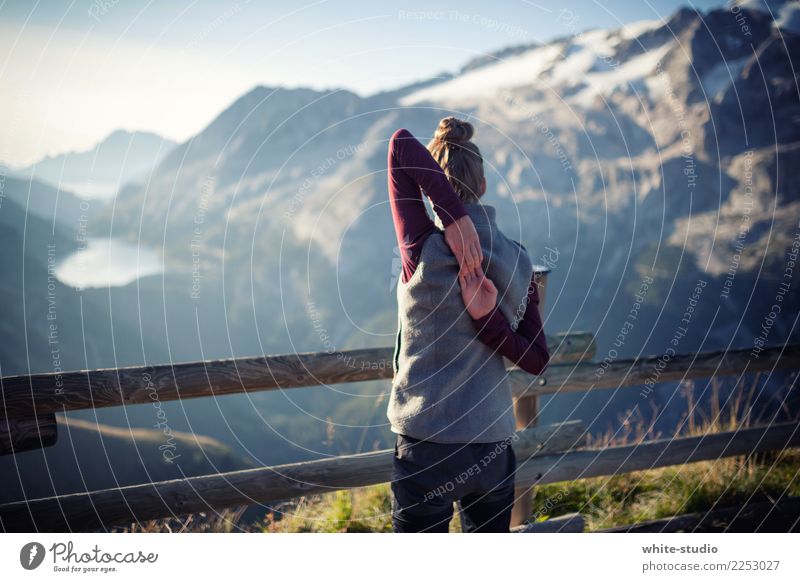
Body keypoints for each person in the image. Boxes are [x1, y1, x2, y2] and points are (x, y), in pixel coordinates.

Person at [387, 117, 550, 533]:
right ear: (483, 185)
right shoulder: (519, 258)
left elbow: (400, 143)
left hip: (427, 444)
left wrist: (452, 219)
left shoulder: (421, 247)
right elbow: (536, 360)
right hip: (492, 444)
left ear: (432, 188)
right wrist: (490, 322)